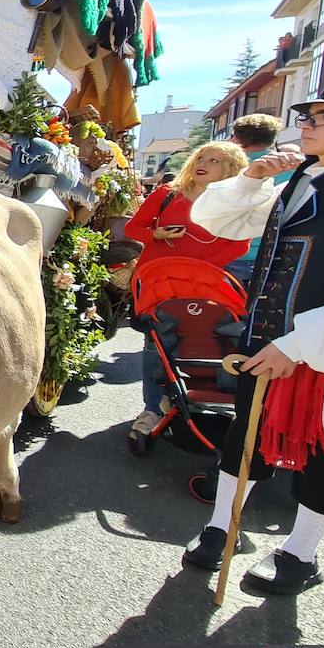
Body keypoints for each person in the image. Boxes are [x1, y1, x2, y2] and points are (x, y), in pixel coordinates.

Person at [180, 85, 324, 596]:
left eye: (322, 116)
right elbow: (210, 218)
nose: (307, 124)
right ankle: (223, 526)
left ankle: (301, 552)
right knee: (245, 435)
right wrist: (250, 177)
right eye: (306, 114)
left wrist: (299, 345)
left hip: (322, 354)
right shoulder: (299, 183)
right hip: (265, 342)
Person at [124, 141, 250, 438]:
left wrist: (197, 267)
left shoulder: (231, 204)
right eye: (200, 157)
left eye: (215, 160)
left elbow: (241, 244)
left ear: (231, 170)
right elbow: (132, 229)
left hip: (202, 284)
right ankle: (153, 407)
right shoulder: (167, 195)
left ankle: (190, 399)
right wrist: (155, 234)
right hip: (157, 283)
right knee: (155, 346)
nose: (202, 163)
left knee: (201, 342)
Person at [225, 114, 293, 283]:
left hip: (230, 255)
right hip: (277, 255)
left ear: (238, 139)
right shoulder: (294, 171)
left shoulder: (227, 168)